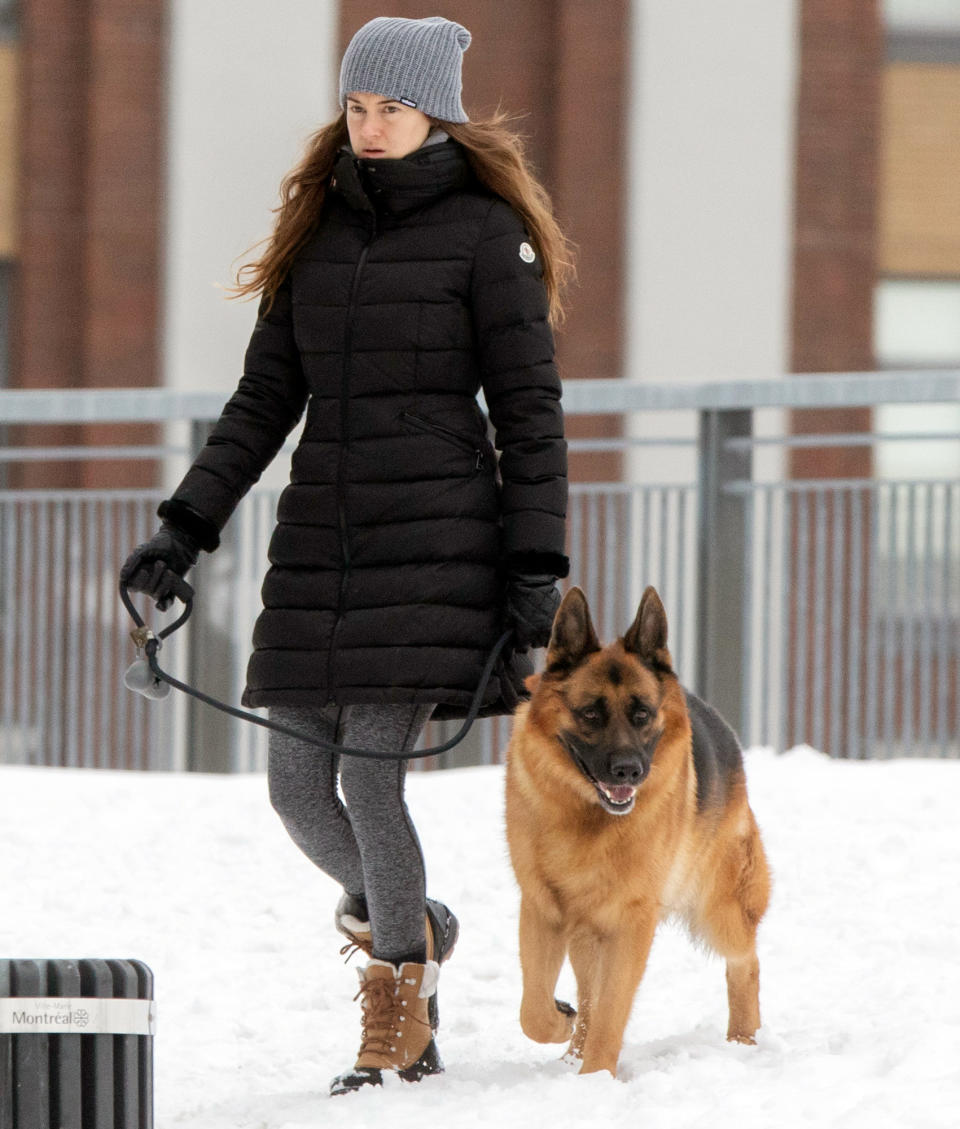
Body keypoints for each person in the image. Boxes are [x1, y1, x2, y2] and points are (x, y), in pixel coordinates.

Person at [120, 15, 571, 1095]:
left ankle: (399, 1013)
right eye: (358, 108)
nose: (370, 128)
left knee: (371, 783)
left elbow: (531, 415)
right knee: (292, 789)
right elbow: (263, 401)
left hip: (439, 547)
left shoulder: (484, 235)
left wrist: (535, 577)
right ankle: (413, 922)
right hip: (321, 542)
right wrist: (183, 528)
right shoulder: (319, 235)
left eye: (393, 109)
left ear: (436, 115)